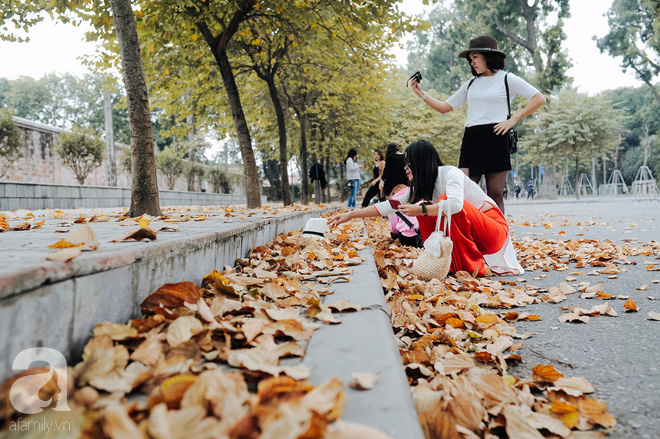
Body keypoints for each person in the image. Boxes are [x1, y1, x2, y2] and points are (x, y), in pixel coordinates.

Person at [329, 140, 523, 276]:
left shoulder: (450, 174)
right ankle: (443, 262)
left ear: (421, 162)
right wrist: (351, 215)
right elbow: (388, 206)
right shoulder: (419, 188)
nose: (405, 168)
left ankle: (470, 267)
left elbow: (456, 205)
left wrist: (421, 210)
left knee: (438, 204)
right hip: (474, 231)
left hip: (494, 230)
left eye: (409, 163)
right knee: (427, 206)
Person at [410, 35, 546, 213]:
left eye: (475, 57)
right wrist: (422, 94)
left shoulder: (507, 79)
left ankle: (499, 237)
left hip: (497, 137)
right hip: (472, 140)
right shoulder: (470, 84)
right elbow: (445, 107)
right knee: (463, 193)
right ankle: (468, 237)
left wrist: (513, 119)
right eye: (470, 59)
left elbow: (539, 98)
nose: (472, 62)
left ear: (487, 56)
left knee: (495, 195)